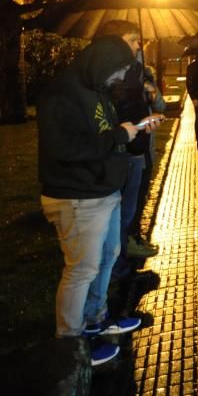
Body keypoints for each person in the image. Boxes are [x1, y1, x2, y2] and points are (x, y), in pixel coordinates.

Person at [37, 35, 153, 366]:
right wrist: (120, 135)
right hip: (77, 197)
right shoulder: (61, 94)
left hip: (102, 192)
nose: (118, 79)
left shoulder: (96, 90)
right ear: (101, 62)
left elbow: (102, 132)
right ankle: (69, 344)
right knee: (82, 269)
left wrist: (134, 129)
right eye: (116, 71)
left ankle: (95, 320)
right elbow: (66, 149)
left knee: (105, 258)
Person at [94, 21, 165, 281]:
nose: (138, 45)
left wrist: (148, 94)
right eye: (133, 40)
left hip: (137, 148)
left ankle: (121, 262)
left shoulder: (138, 72)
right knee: (119, 216)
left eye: (139, 41)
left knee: (129, 211)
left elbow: (156, 104)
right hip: (121, 152)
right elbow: (113, 114)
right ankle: (116, 271)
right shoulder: (106, 76)